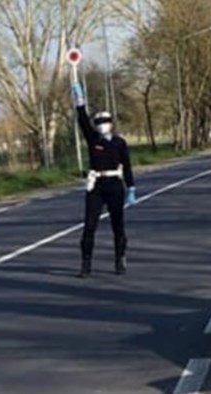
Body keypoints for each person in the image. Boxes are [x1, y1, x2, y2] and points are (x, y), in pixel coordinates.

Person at [71, 81, 136, 278]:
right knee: (90, 225)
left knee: (118, 224)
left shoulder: (119, 143)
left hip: (115, 185)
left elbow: (127, 165)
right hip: (96, 186)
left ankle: (120, 259)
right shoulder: (94, 140)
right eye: (98, 123)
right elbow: (82, 121)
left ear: (112, 123)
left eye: (105, 121)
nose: (102, 125)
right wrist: (80, 102)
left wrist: (131, 187)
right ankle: (86, 263)